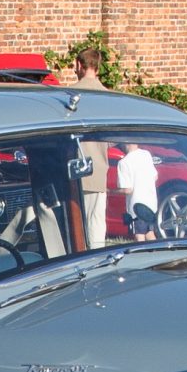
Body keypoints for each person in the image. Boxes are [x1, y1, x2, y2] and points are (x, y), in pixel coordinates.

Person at [69, 44, 111, 243]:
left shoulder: (69, 95)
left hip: (73, 168)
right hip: (99, 169)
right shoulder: (107, 96)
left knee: (74, 226)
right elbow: (112, 138)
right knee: (96, 225)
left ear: (79, 64)